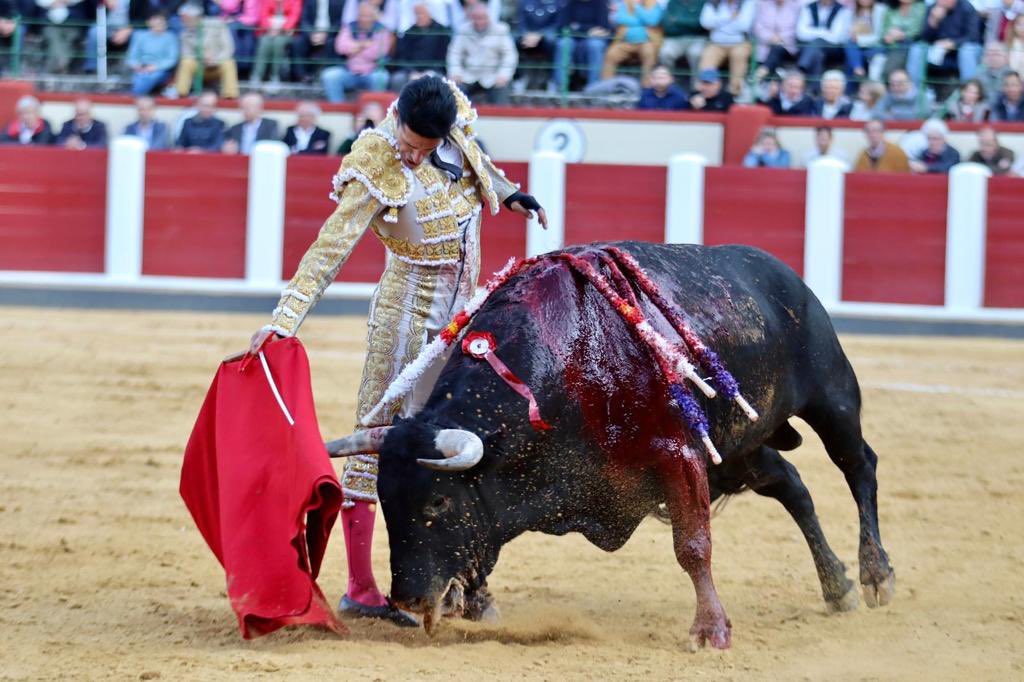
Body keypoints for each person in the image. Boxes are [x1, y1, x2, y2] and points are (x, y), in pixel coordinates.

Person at [244, 77, 546, 626]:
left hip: (461, 323)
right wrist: (284, 320)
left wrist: (508, 194)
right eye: (409, 142)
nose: (412, 155)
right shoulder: (376, 158)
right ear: (396, 117)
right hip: (405, 320)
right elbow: (331, 245)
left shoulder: (455, 135)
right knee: (375, 438)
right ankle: (360, 587)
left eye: (424, 149)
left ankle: (458, 580)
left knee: (453, 445)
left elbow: (478, 167)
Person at [321, 1, 392, 102]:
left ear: (374, 17)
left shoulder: (381, 29)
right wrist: (363, 45)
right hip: (349, 71)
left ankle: (374, 110)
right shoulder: (349, 27)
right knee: (329, 76)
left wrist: (353, 48)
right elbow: (340, 47)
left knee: (382, 77)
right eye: (361, 15)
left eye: (367, 16)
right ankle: (339, 107)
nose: (364, 19)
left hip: (371, 72)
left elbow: (377, 53)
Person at [447, 3, 518, 103]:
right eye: (476, 17)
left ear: (488, 16)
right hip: (468, 76)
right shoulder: (463, 29)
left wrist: (503, 75)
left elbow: (509, 55)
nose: (479, 21)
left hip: (493, 76)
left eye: (482, 17)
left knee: (502, 90)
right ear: (471, 17)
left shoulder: (501, 29)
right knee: (454, 89)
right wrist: (455, 72)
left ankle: (499, 117)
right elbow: (454, 53)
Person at [905, 0, 982, 88]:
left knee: (967, 51)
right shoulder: (932, 8)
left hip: (961, 48)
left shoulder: (967, 7)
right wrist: (934, 21)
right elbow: (924, 38)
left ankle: (969, 91)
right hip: (937, 48)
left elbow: (973, 35)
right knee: (916, 49)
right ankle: (915, 91)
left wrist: (953, 43)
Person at [175, 3, 241, 99]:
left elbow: (228, 48)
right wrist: (201, 58)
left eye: (186, 18)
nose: (183, 21)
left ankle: (230, 96)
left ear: (198, 17)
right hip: (199, 65)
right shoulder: (184, 34)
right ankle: (181, 94)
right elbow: (186, 54)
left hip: (217, 63)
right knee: (186, 62)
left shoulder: (217, 24)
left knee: (229, 62)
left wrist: (215, 59)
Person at [696, 0, 754, 95]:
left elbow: (744, 26)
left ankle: (735, 93)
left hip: (739, 43)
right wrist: (730, 18)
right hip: (716, 44)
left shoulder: (747, 2)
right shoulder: (714, 2)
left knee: (739, 55)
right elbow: (705, 22)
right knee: (706, 61)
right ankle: (705, 94)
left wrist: (717, 22)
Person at [388, 1, 450, 91]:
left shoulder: (442, 32)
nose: (419, 16)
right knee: (397, 79)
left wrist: (429, 72)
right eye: (417, 14)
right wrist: (411, 72)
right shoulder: (409, 32)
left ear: (430, 14)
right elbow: (402, 57)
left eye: (422, 13)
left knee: (438, 79)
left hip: (434, 70)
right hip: (411, 71)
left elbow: (443, 57)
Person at [601, 0, 664, 87]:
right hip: (625, 42)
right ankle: (606, 87)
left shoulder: (653, 3)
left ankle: (647, 88)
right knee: (611, 54)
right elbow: (620, 19)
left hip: (646, 42)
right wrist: (642, 21)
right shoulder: (626, 3)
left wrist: (637, 8)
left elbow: (652, 21)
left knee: (649, 55)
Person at [555, 0, 611, 89]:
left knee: (595, 45)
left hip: (592, 39)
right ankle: (560, 87)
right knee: (563, 44)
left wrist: (577, 27)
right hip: (572, 38)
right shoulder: (569, 3)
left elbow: (603, 28)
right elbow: (562, 27)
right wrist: (589, 30)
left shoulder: (600, 3)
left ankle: (594, 88)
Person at [795, 0, 851, 87]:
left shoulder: (843, 10)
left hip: (834, 50)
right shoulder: (808, 7)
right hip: (811, 48)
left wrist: (813, 32)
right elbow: (801, 33)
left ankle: (801, 68)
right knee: (817, 53)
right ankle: (815, 89)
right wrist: (825, 32)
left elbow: (836, 38)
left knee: (816, 43)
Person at [125, 14, 180, 96]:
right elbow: (131, 56)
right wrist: (136, 65)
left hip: (160, 69)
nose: (158, 25)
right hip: (141, 67)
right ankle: (136, 97)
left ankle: (133, 96)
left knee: (150, 77)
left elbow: (172, 59)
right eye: (155, 22)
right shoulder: (139, 35)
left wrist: (155, 67)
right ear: (149, 23)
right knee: (139, 77)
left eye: (160, 22)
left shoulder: (171, 37)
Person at [290, 0, 345, 82]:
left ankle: (326, 76)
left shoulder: (338, 2)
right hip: (312, 33)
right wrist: (311, 35)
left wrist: (326, 34)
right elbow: (304, 20)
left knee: (332, 43)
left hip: (330, 34)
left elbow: (339, 22)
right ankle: (302, 76)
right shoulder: (309, 1)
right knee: (298, 43)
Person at [252, 0, 303, 85]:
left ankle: (275, 76)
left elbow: (294, 15)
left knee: (278, 43)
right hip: (268, 31)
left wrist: (282, 28)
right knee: (264, 42)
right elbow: (263, 14)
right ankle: (257, 75)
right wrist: (270, 28)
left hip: (286, 32)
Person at [516, 0, 561, 90]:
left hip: (547, 37)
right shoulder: (525, 2)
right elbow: (521, 22)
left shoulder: (559, 3)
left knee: (555, 43)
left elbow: (557, 24)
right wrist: (526, 34)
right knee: (514, 41)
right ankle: (518, 78)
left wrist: (540, 35)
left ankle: (552, 80)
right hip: (527, 36)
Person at [658, 0, 706, 83]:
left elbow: (700, 24)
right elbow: (667, 25)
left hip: (697, 38)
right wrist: (690, 22)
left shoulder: (701, 2)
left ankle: (696, 86)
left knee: (696, 54)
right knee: (665, 53)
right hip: (675, 38)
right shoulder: (672, 3)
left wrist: (677, 21)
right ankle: (668, 83)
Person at [752, 0, 800, 81]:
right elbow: (758, 27)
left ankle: (758, 76)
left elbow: (795, 29)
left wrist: (780, 38)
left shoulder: (795, 6)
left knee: (777, 49)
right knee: (771, 53)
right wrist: (770, 37)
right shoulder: (763, 5)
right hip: (765, 44)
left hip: (786, 47)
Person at [84, 0, 136, 74]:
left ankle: (132, 67)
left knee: (138, 35)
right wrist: (103, 1)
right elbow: (90, 7)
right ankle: (91, 67)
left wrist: (128, 29)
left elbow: (143, 14)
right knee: (94, 31)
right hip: (107, 26)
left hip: (130, 27)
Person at [36, 0, 88, 73]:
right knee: (54, 39)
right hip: (49, 24)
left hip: (73, 24)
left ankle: (59, 65)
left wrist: (66, 2)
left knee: (71, 40)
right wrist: (53, 3)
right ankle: (61, 65)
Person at [878, 0, 925, 76]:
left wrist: (902, 35)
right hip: (889, 43)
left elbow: (918, 30)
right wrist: (888, 36)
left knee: (889, 69)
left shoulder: (921, 7)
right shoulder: (890, 8)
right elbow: (884, 30)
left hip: (910, 43)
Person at [844, 0, 886, 85]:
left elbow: (879, 36)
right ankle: (858, 69)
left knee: (853, 55)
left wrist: (859, 39)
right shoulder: (851, 10)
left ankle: (858, 69)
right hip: (857, 46)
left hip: (875, 45)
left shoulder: (881, 10)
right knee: (850, 48)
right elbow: (847, 33)